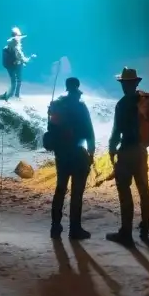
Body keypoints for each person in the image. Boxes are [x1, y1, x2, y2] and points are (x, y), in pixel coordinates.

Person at [106, 67, 149, 246]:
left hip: (126, 152)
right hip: (141, 151)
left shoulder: (122, 104)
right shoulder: (145, 101)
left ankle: (126, 233)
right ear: (137, 83)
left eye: (124, 84)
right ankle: (145, 227)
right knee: (143, 189)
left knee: (125, 192)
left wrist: (111, 149)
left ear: (124, 84)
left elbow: (116, 131)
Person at [47, 77, 95, 240]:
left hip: (61, 154)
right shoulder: (81, 107)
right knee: (76, 193)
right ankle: (75, 229)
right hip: (77, 153)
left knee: (60, 189)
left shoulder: (57, 105)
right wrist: (91, 153)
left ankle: (55, 225)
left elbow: (50, 129)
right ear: (77, 90)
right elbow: (89, 132)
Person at [3, 27, 34, 100]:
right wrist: (31, 58)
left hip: (9, 66)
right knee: (18, 81)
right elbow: (22, 59)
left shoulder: (7, 47)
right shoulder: (16, 47)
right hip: (16, 65)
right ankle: (14, 96)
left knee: (13, 81)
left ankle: (10, 95)